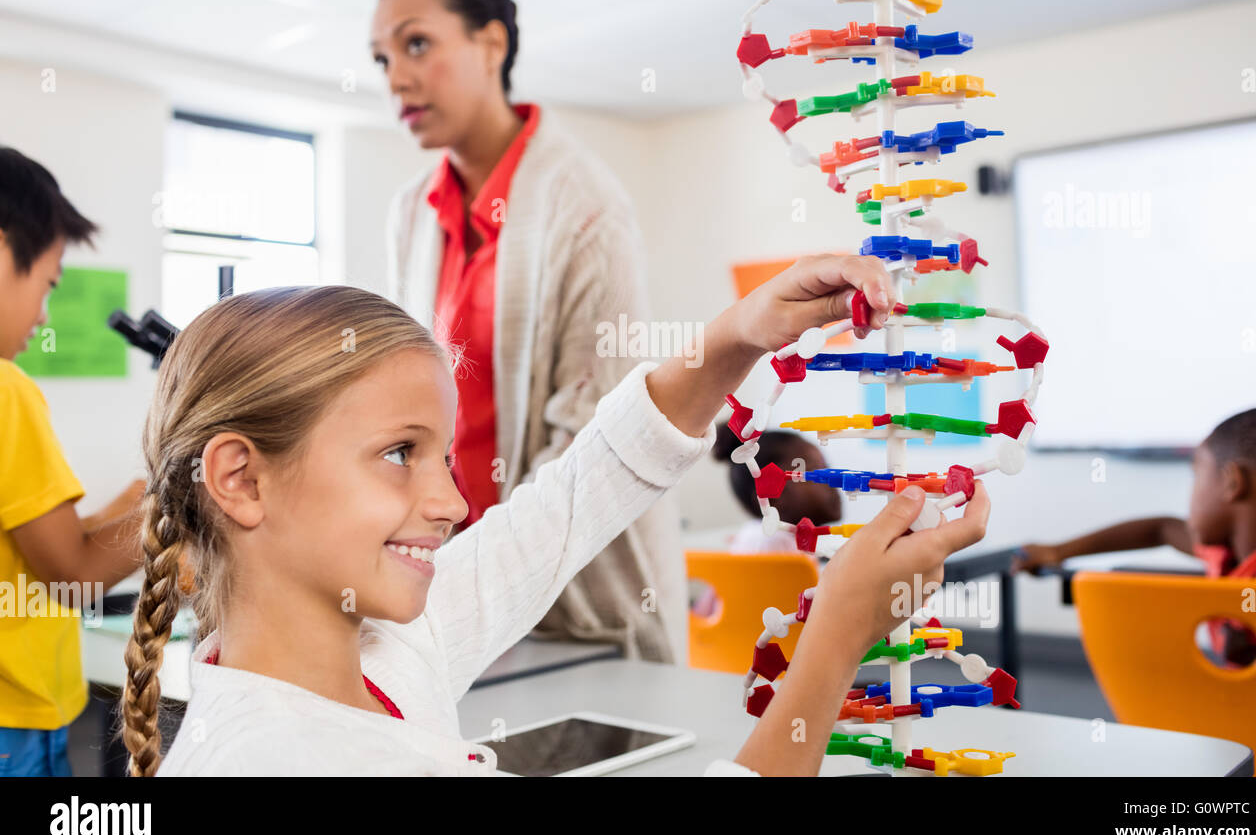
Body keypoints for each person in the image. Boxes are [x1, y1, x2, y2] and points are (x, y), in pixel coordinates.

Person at [118, 255, 989, 776]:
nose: (453, 503)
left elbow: (567, 504)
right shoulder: (296, 760)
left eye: (445, 457)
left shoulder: (373, 650)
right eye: (399, 453)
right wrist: (838, 635)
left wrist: (734, 338)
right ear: (240, 478)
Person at [374, 0, 688, 663]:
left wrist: (473, 569)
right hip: (452, 584)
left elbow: (595, 433)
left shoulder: (585, 204)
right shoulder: (410, 214)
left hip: (580, 602)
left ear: (492, 44)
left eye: (416, 43)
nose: (395, 77)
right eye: (382, 57)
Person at [0, 147, 144, 775]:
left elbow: (30, 546)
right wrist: (177, 516)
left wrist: (134, 503)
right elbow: (72, 577)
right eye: (48, 284)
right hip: (19, 716)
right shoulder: (7, 391)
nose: (45, 314)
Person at [1014, 407, 1256, 665]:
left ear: (1232, 482)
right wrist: (1058, 552)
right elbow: (1163, 528)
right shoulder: (1231, 552)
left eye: (1197, 474)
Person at [692, 430, 841, 618]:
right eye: (814, 471)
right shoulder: (773, 542)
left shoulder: (764, 536)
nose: (833, 479)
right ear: (773, 495)